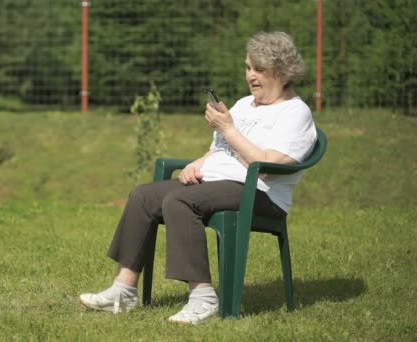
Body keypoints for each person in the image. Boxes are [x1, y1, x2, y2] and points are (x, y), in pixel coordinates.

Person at [80, 31, 317, 324]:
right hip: (216, 184)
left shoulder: (296, 113)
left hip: (260, 192)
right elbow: (219, 150)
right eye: (247, 67)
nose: (250, 76)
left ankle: (202, 297)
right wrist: (198, 163)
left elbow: (268, 166)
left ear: (282, 72)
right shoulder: (244, 104)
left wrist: (228, 128)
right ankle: (123, 290)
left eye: (259, 69)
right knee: (143, 195)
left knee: (181, 200)